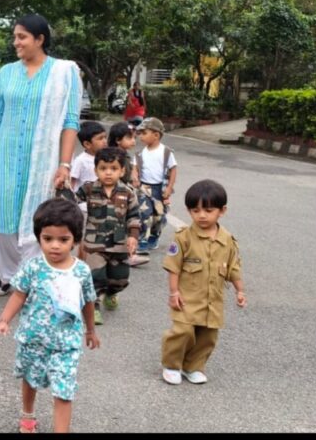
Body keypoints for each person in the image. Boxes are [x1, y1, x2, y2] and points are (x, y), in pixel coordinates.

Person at [0, 14, 82, 297]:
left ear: (40, 39)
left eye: (22, 37)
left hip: (42, 163)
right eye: (15, 37)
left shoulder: (65, 72)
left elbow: (70, 122)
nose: (15, 42)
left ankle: (33, 277)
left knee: (38, 218)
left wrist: (65, 164)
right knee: (3, 216)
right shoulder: (6, 73)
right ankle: (10, 274)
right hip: (5, 159)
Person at [0, 197, 99, 433]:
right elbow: (18, 295)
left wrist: (90, 330)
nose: (55, 246)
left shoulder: (81, 271)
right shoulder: (33, 267)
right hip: (33, 339)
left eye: (63, 239)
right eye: (48, 239)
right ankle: (28, 414)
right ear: (39, 237)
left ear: (75, 240)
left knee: (64, 391)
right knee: (30, 379)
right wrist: (4, 320)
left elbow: (88, 302)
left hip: (66, 344)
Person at [161, 179, 246, 385]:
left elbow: (233, 267)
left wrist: (240, 291)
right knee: (182, 332)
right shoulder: (184, 238)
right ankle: (172, 365)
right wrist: (173, 293)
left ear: (222, 211)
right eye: (195, 210)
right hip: (187, 299)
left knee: (208, 337)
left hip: (213, 301)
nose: (201, 215)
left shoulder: (227, 240)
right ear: (189, 211)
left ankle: (193, 366)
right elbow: (173, 267)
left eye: (208, 210)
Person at [73, 147, 141, 325]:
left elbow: (134, 216)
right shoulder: (88, 189)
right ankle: (93, 307)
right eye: (103, 168)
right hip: (94, 244)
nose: (108, 173)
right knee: (95, 277)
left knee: (120, 279)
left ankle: (111, 293)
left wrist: (133, 236)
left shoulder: (128, 192)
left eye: (113, 168)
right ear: (96, 170)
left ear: (122, 171)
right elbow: (72, 202)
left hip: (119, 244)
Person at [108, 122, 151, 267]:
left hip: (124, 194)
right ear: (117, 140)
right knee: (121, 224)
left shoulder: (124, 155)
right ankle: (126, 255)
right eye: (129, 138)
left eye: (134, 138)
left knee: (127, 223)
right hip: (117, 195)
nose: (133, 141)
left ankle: (128, 253)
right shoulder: (114, 156)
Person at [135, 117, 177, 254]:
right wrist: (134, 177)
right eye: (140, 133)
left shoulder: (166, 152)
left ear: (156, 135)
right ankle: (142, 239)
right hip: (144, 188)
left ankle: (154, 235)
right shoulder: (140, 154)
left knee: (158, 216)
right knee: (144, 213)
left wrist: (169, 188)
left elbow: (173, 169)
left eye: (144, 133)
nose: (140, 136)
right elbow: (135, 167)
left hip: (159, 189)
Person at [69, 121, 107, 192]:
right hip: (83, 196)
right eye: (100, 138)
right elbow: (72, 181)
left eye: (105, 137)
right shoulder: (80, 160)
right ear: (87, 144)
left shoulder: (106, 158)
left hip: (99, 196)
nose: (105, 141)